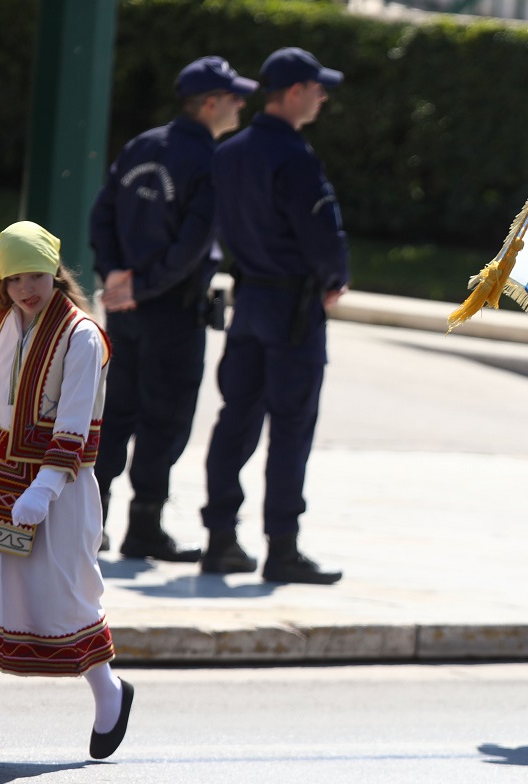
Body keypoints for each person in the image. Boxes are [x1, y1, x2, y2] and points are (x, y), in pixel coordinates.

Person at [89, 56, 257, 561]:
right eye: (233, 97)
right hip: (171, 310)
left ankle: (90, 524)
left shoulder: (143, 144)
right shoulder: (211, 160)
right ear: (210, 103)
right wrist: (144, 285)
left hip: (125, 306)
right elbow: (192, 243)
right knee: (164, 420)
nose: (241, 104)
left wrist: (115, 276)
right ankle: (145, 526)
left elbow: (103, 215)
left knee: (114, 414)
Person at [199, 46, 348, 584]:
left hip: (250, 301)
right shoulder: (294, 156)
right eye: (316, 88)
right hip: (293, 306)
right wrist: (335, 278)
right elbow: (321, 235)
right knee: (290, 427)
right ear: (293, 93)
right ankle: (281, 548)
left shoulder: (230, 152)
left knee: (235, 418)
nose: (323, 97)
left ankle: (219, 538)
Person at [0, 223, 134, 765]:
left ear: (54, 271)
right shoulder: (3, 325)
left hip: (62, 488)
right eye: (14, 279)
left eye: (35, 274)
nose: (26, 288)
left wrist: (44, 487)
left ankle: (110, 696)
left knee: (67, 598)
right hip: (2, 483)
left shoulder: (82, 336)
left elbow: (74, 425)